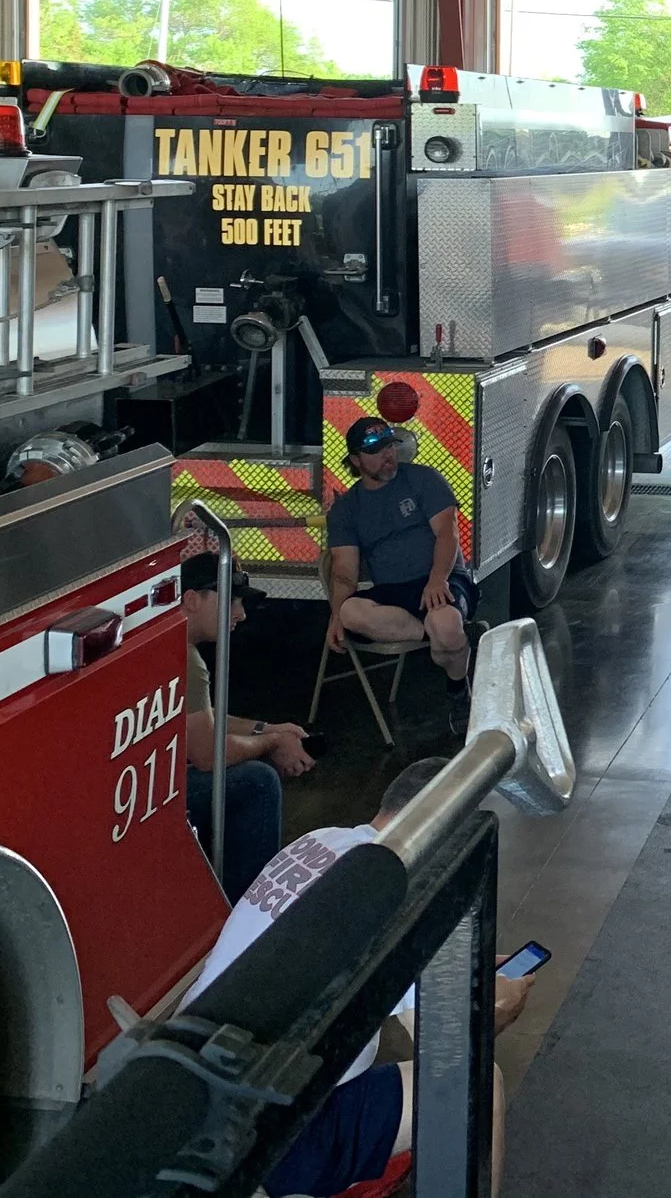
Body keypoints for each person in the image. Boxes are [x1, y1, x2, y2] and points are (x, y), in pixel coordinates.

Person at [188, 760, 531, 1197]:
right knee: (479, 1084)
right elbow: (445, 1048)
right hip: (268, 1137)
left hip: (192, 1082)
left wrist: (457, 968)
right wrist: (498, 1005)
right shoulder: (404, 891)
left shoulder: (320, 841)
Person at [326, 415, 478, 734]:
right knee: (350, 612)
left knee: (444, 622)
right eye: (375, 451)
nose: (388, 455)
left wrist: (437, 579)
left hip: (441, 577)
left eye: (390, 447)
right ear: (355, 460)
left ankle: (458, 692)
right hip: (393, 591)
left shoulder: (423, 479)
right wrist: (336, 617)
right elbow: (344, 572)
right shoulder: (347, 508)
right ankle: (448, 637)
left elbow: (447, 533)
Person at [178, 550, 314, 901]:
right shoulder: (185, 658)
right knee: (257, 782)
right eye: (231, 600)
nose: (240, 613)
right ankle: (247, 910)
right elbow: (206, 754)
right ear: (191, 599)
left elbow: (202, 717)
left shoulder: (170, 644)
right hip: (153, 798)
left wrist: (268, 729)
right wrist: (272, 744)